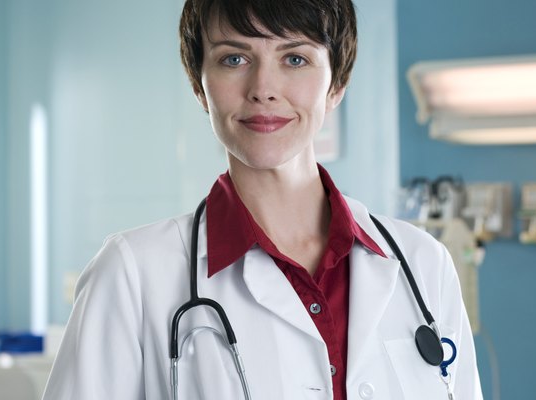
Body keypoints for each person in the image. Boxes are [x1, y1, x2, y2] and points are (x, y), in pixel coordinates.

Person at [42, 0, 483, 398]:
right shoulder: (132, 275)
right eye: (234, 59)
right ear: (200, 86)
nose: (263, 88)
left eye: (295, 59)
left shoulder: (423, 264)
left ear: (337, 84)